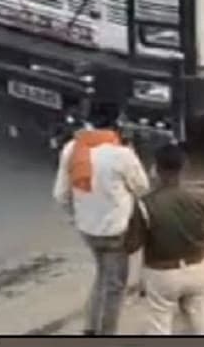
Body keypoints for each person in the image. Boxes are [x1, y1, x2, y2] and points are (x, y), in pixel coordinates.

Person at [53, 104, 150, 335]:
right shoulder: (121, 154)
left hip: (88, 230)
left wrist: (77, 215)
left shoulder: (72, 149)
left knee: (103, 275)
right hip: (116, 232)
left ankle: (90, 327)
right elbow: (142, 187)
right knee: (115, 286)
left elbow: (60, 195)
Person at [137, 142, 204, 335]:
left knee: (159, 324)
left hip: (161, 275)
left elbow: (132, 243)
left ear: (155, 169)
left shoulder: (145, 205)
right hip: (198, 269)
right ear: (184, 167)